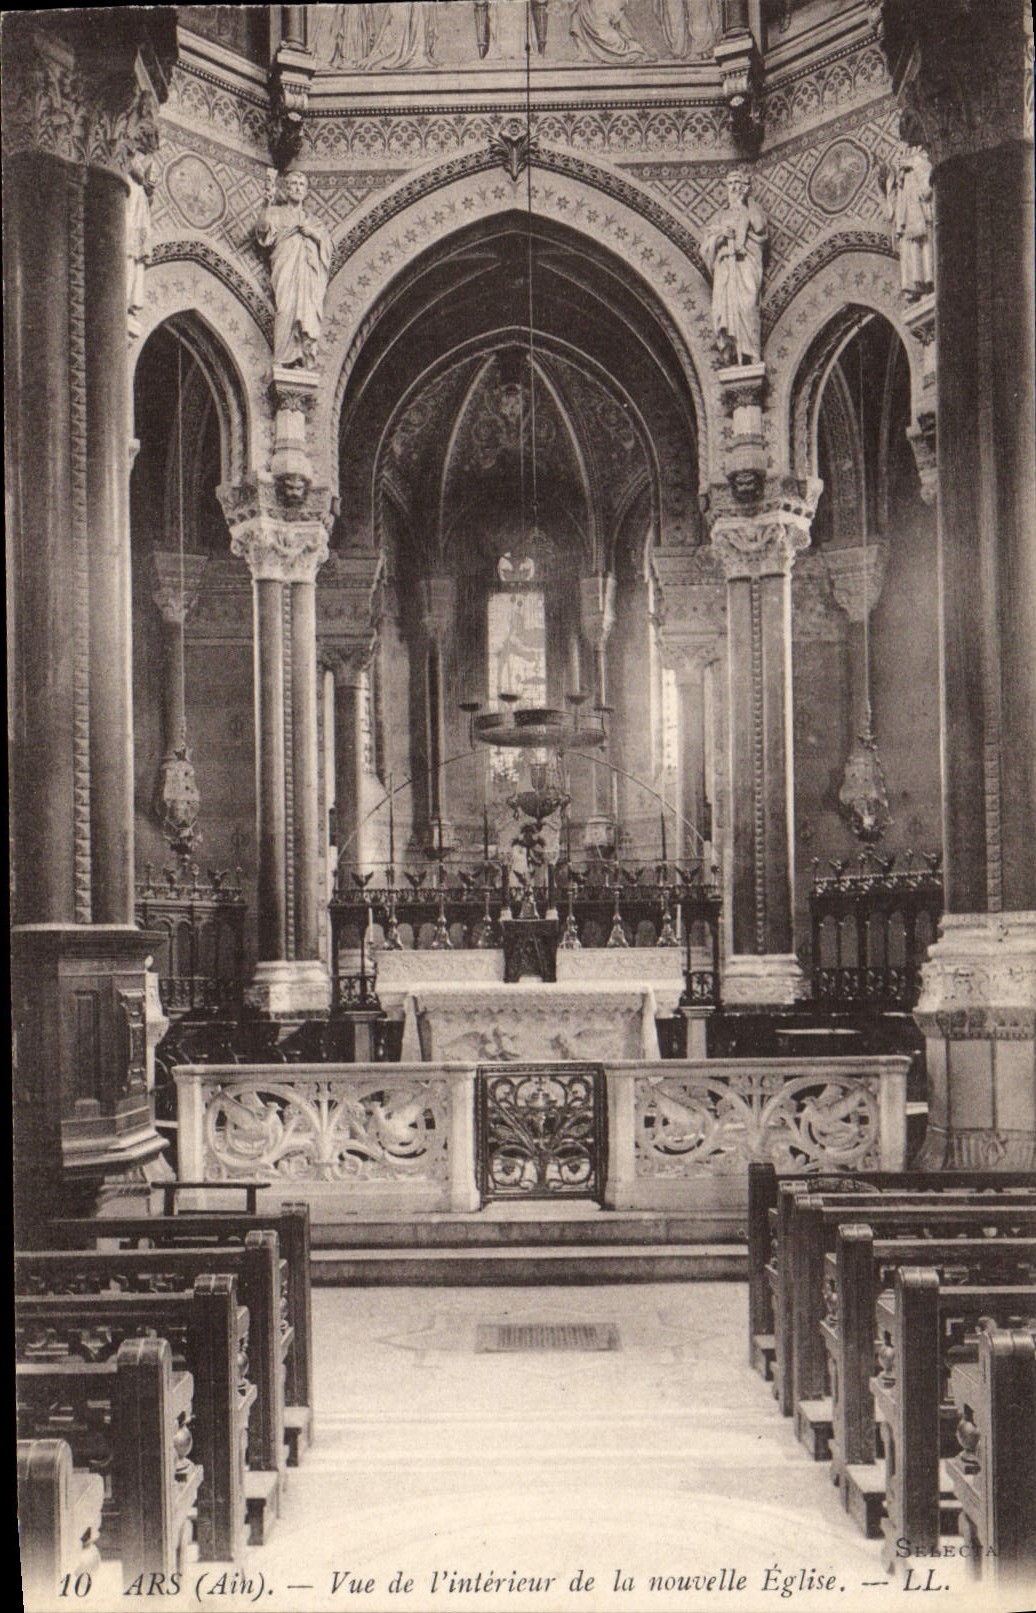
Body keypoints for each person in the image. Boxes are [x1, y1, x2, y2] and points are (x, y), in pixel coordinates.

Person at [255, 170, 333, 370]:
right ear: (286, 188)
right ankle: (283, 357)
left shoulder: (313, 221)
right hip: (285, 266)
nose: (298, 188)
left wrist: (312, 234)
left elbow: (327, 247)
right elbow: (263, 231)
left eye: (301, 184)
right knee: (285, 308)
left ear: (306, 191)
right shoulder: (276, 213)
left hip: (307, 275)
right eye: (293, 184)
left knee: (305, 309)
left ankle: (302, 356)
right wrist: (266, 203)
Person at [700, 167, 768, 366]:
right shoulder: (720, 216)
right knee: (725, 311)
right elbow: (705, 247)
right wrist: (722, 235)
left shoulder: (751, 209)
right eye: (731, 183)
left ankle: (751, 351)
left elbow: (760, 229)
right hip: (726, 268)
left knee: (747, 305)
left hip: (745, 264)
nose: (735, 187)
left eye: (739, 183)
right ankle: (731, 350)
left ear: (746, 187)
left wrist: (745, 205)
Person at [884, 143, 934, 300]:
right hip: (906, 207)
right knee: (910, 243)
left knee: (923, 242)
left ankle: (928, 282)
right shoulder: (903, 152)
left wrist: (912, 162)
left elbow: (929, 172)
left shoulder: (921, 148)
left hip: (919, 206)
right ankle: (915, 286)